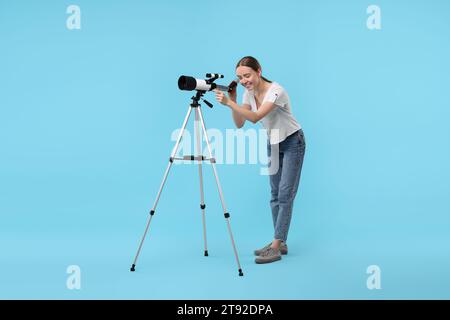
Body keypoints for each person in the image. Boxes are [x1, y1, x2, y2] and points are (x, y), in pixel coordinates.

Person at [214, 56, 306, 264]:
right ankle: (279, 242)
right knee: (274, 194)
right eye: (240, 77)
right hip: (273, 142)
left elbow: (255, 118)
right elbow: (240, 123)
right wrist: (234, 102)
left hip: (293, 142)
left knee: (285, 193)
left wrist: (228, 102)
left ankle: (276, 244)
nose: (245, 80)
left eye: (247, 75)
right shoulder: (248, 92)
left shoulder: (276, 91)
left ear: (259, 71)